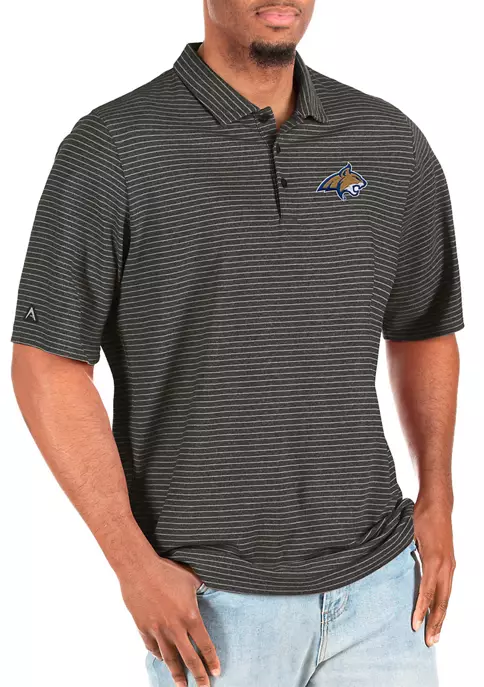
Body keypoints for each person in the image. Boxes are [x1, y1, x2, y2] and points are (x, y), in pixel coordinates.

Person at [11, 1, 464, 685]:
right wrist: (133, 565)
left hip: (383, 594)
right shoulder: (113, 147)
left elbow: (424, 326)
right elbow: (47, 364)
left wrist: (438, 498)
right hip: (209, 607)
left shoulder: (388, 141)